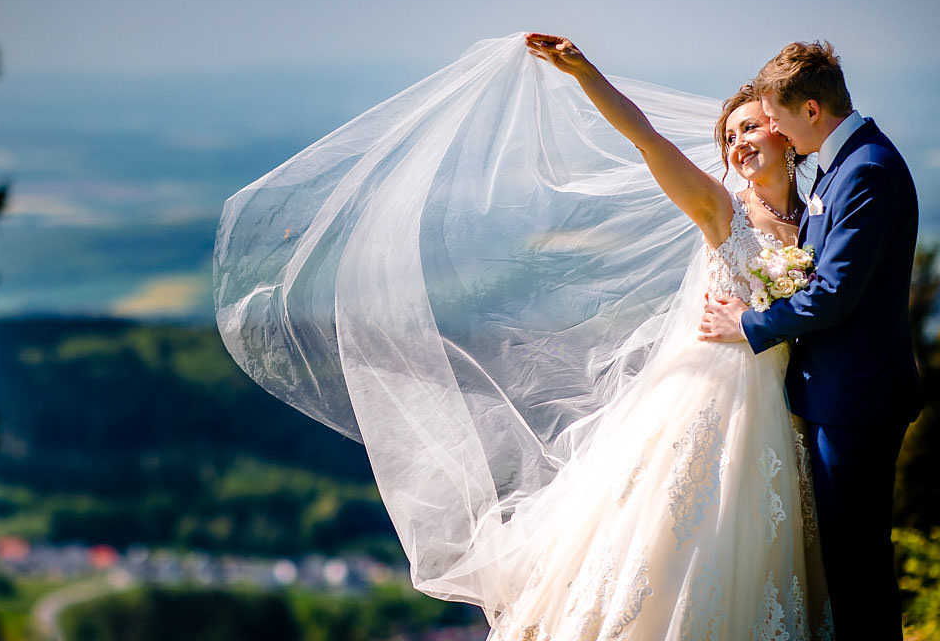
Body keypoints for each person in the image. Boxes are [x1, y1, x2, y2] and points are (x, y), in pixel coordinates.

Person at [215, 32, 833, 639]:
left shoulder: (814, 219)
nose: (737, 143)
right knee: (682, 535)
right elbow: (649, 143)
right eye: (728, 136)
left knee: (763, 542)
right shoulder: (719, 210)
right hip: (709, 398)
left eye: (750, 128)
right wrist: (586, 74)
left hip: (780, 404)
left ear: (784, 132)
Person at [699, 41, 922, 640]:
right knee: (846, 560)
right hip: (837, 394)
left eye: (775, 117)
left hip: (857, 399)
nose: (772, 130)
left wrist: (747, 325)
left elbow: (833, 292)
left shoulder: (866, 168)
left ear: (812, 110)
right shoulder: (843, 163)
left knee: (857, 562)